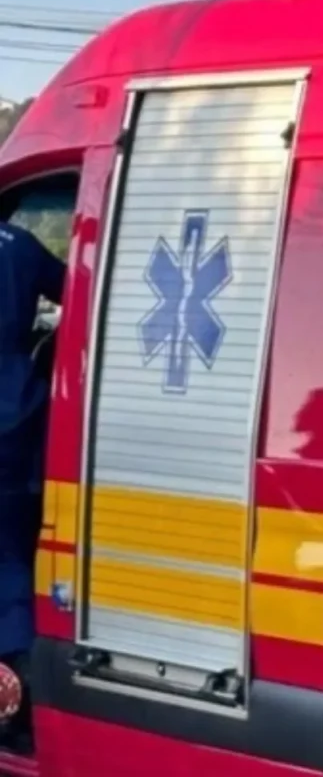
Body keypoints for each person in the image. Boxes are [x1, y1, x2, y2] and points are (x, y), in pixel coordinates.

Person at [0, 220, 64, 753]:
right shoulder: (17, 243)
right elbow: (79, 289)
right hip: (19, 416)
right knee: (16, 553)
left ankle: (14, 701)